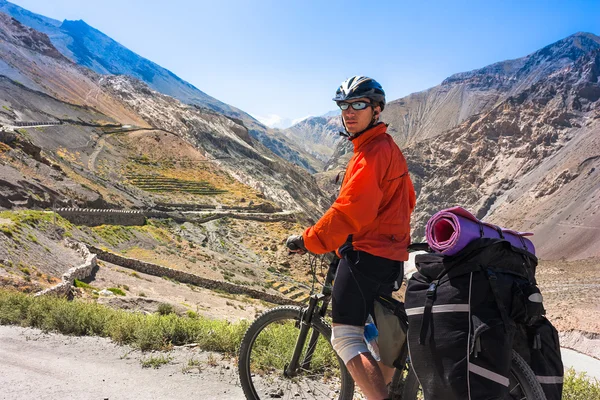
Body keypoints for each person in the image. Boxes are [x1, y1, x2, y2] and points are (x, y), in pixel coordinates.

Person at [286, 76, 416, 400]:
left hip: (366, 255)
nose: (349, 112)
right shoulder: (386, 149)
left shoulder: (372, 154)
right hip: (389, 255)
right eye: (344, 106)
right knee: (376, 332)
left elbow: (348, 213)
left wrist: (308, 240)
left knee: (344, 336)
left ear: (376, 109)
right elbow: (407, 199)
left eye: (358, 104)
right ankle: (389, 389)